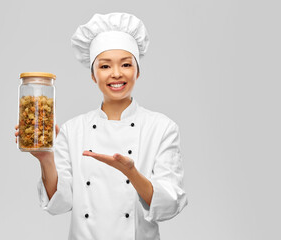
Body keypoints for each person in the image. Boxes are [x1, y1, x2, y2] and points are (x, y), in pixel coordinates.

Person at [15, 12, 188, 240]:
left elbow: (170, 204)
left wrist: (132, 174)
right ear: (93, 75)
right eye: (105, 66)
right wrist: (46, 159)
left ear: (138, 71)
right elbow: (60, 204)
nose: (116, 73)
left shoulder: (162, 128)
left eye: (126, 64)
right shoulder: (73, 129)